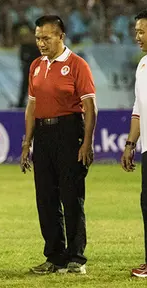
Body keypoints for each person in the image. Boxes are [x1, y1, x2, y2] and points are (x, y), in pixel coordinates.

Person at [20, 15, 97, 275]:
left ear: (61, 36)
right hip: (43, 135)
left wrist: (87, 142)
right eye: (38, 37)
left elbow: (89, 107)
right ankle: (55, 257)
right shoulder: (36, 66)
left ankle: (76, 258)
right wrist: (26, 142)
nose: (41, 43)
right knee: (46, 199)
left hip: (69, 131)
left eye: (46, 38)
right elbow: (31, 106)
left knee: (71, 197)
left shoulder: (77, 65)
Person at [121, 9, 147, 278]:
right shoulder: (142, 65)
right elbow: (138, 108)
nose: (137, 36)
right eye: (136, 31)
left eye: (142, 31)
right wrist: (130, 144)